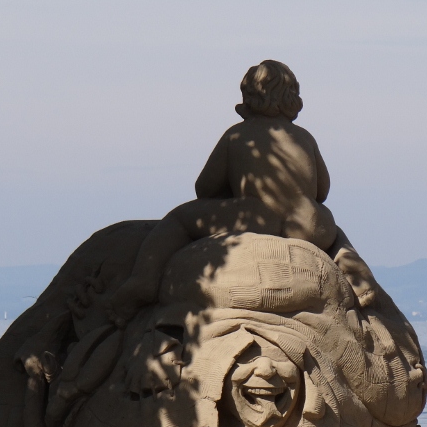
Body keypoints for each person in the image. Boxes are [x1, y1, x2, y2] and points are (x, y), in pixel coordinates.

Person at [110, 60, 376, 323]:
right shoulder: (304, 136)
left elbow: (205, 188)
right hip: (309, 221)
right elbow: (322, 190)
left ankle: (143, 280)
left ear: (249, 96)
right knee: (332, 228)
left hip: (259, 217)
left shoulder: (237, 135)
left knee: (179, 218)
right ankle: (357, 276)